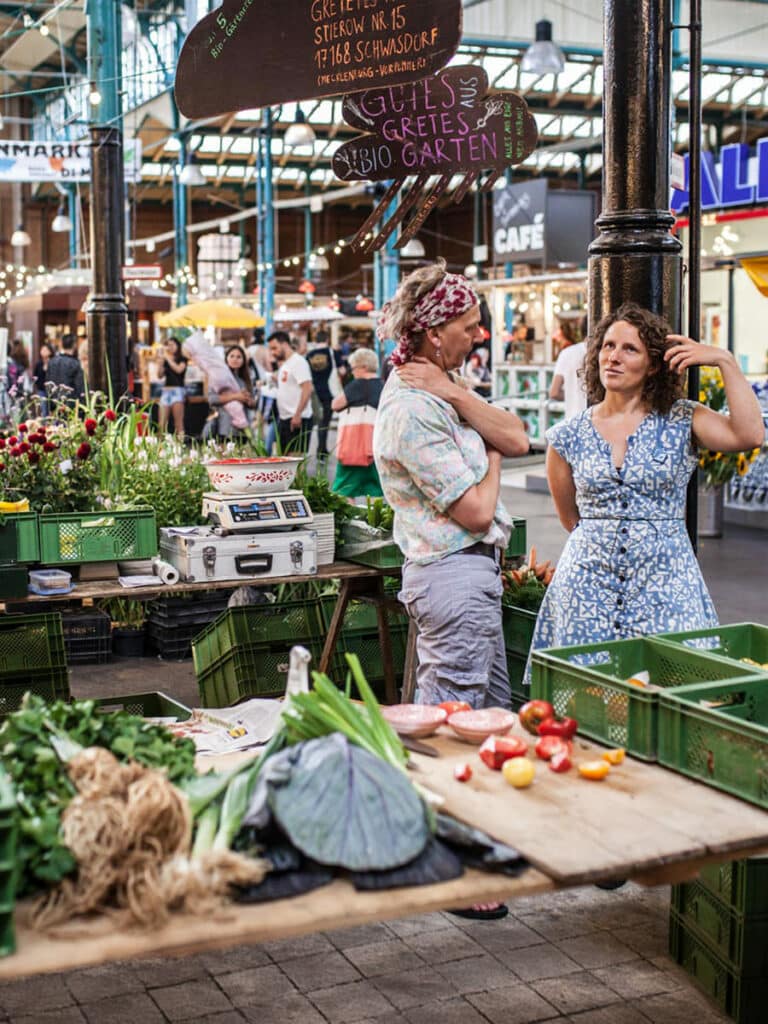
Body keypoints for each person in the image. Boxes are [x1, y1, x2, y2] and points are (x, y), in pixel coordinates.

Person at [374, 260, 529, 922]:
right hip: (453, 572)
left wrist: (468, 404)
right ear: (435, 333)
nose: (479, 335)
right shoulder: (411, 408)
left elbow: (519, 433)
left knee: (490, 714)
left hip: (472, 575)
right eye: (469, 326)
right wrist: (490, 453)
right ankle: (442, 863)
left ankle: (481, 843)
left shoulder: (444, 388)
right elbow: (476, 508)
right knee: (447, 722)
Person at [528, 302, 765, 674]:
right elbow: (571, 519)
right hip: (587, 588)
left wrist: (724, 360)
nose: (614, 357)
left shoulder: (684, 418)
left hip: (666, 581)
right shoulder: (566, 437)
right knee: (587, 693)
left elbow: (749, 434)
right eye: (607, 346)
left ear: (653, 365)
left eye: (629, 349)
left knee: (676, 683)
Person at [331, 346, 384, 498]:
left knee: (344, 489)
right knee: (375, 489)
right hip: (375, 446)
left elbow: (335, 405)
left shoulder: (356, 385)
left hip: (353, 446)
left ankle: (350, 519)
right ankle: (374, 520)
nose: (352, 372)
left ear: (364, 367)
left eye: (354, 368)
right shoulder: (382, 385)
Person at [267, 330, 313, 454]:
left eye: (274, 348)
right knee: (284, 461)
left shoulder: (298, 362)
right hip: (285, 418)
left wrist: (298, 414)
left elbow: (307, 388)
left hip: (297, 419)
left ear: (285, 344)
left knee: (295, 461)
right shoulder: (286, 364)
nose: (273, 352)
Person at [307, 329, 341, 458]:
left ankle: (318, 448)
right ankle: (322, 449)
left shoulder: (309, 355)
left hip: (315, 393)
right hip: (329, 392)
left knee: (318, 420)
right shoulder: (332, 353)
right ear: (327, 340)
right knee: (325, 421)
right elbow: (342, 370)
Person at [209, 344, 256, 437]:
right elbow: (212, 399)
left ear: (243, 360)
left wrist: (249, 401)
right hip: (224, 427)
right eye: (232, 356)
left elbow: (253, 403)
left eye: (239, 357)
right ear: (226, 358)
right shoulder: (219, 377)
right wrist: (236, 396)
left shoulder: (245, 379)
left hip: (243, 429)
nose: (235, 359)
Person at [155, 337, 188, 436]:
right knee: (161, 423)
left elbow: (179, 370)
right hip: (165, 392)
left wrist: (167, 357)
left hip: (178, 391)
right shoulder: (166, 360)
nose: (170, 347)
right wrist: (160, 364)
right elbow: (159, 376)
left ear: (178, 346)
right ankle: (159, 448)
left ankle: (180, 447)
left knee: (178, 423)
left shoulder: (182, 359)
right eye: (168, 345)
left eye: (172, 344)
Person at [549, 338, 587, 420]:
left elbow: (554, 392)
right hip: (596, 422)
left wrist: (572, 395)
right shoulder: (603, 353)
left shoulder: (567, 353)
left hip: (571, 419)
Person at [46, 333, 85, 405]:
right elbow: (80, 387)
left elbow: (48, 384)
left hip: (54, 403)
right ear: (74, 345)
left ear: (61, 344)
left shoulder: (52, 362)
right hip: (70, 405)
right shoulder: (75, 364)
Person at [32, 342, 55, 414]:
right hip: (41, 389)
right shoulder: (39, 363)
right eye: (42, 350)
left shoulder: (54, 362)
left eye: (45, 350)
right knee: (44, 409)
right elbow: (35, 376)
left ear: (50, 351)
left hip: (52, 390)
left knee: (53, 409)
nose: (43, 351)